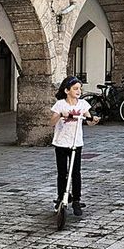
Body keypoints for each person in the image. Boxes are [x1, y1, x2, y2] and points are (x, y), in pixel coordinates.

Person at [50, 76, 99, 217]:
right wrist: (60, 115)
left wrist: (93, 120)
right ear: (67, 90)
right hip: (61, 143)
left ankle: (76, 200)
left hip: (76, 143)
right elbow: (51, 123)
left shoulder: (83, 104)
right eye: (75, 88)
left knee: (76, 173)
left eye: (80, 89)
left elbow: (88, 121)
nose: (78, 91)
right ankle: (61, 197)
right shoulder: (60, 104)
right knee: (62, 172)